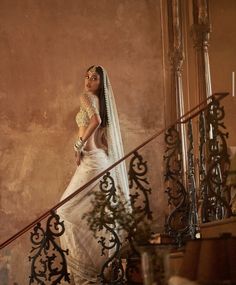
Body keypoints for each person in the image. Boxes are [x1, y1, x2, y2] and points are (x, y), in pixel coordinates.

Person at [57, 65, 129, 284]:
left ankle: (86, 274)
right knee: (96, 215)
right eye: (86, 77)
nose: (88, 81)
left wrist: (78, 144)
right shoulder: (100, 101)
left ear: (101, 82)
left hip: (92, 163)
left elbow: (95, 121)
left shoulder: (87, 97)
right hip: (97, 161)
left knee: (65, 210)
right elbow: (102, 133)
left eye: (94, 78)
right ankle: (96, 271)